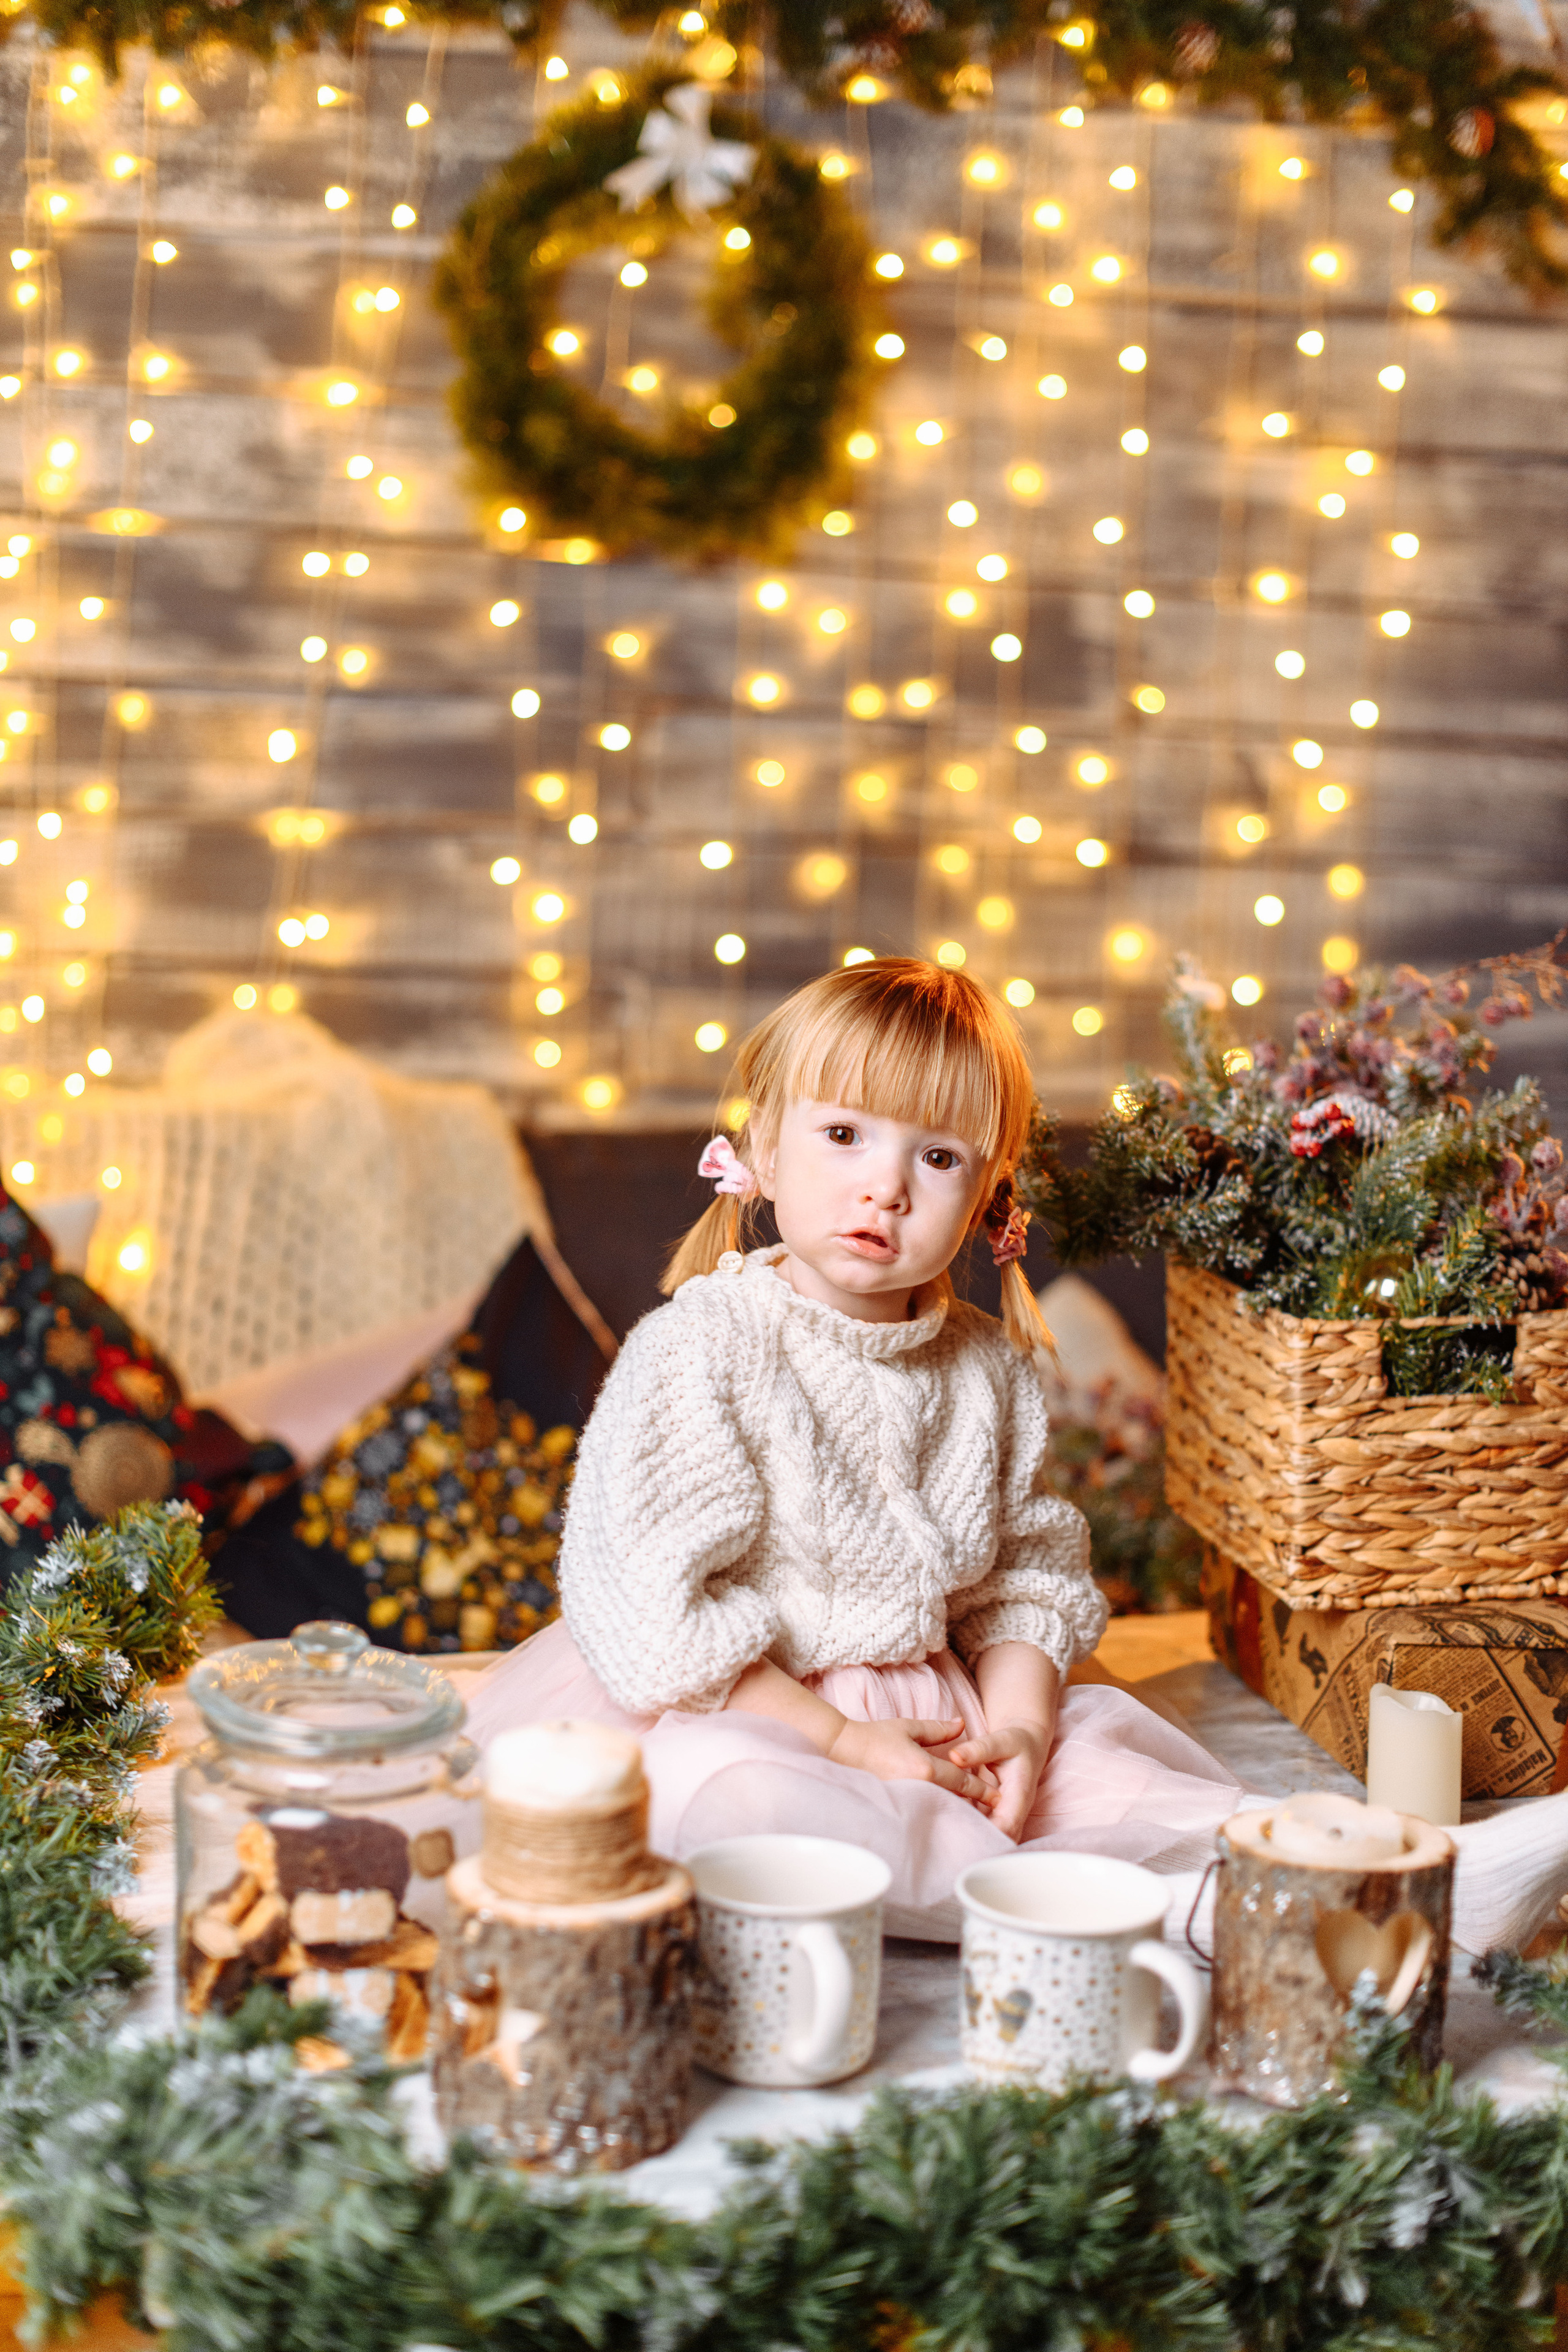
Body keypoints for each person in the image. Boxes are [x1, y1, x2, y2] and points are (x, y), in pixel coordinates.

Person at [465, 959, 1566, 1952]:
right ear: (760, 1148)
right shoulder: (701, 1347)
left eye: (937, 1156)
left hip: (936, 1705)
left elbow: (1026, 1578)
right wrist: (843, 1742)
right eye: (844, 1135)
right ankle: (1168, 1916)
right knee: (730, 1803)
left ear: (988, 1198)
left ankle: (1392, 1875)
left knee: (1108, 1774)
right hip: (744, 1706)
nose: (885, 1187)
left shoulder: (984, 1369)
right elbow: (650, 1609)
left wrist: (1021, 1731)